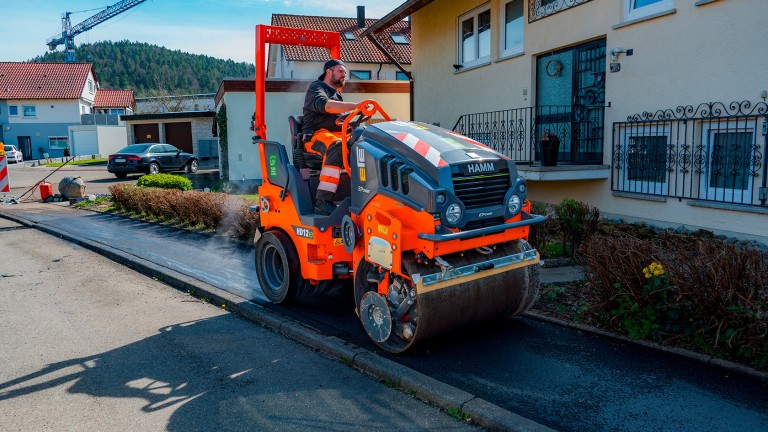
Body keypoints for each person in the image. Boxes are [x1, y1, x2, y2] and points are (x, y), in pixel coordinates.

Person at [301, 59, 366, 216]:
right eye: (340, 71)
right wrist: (357, 106)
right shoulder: (316, 88)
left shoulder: (337, 94)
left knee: (367, 141)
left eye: (345, 72)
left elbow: (341, 118)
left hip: (337, 133)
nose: (344, 74)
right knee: (337, 145)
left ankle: (366, 193)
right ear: (328, 72)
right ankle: (322, 201)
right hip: (316, 135)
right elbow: (326, 105)